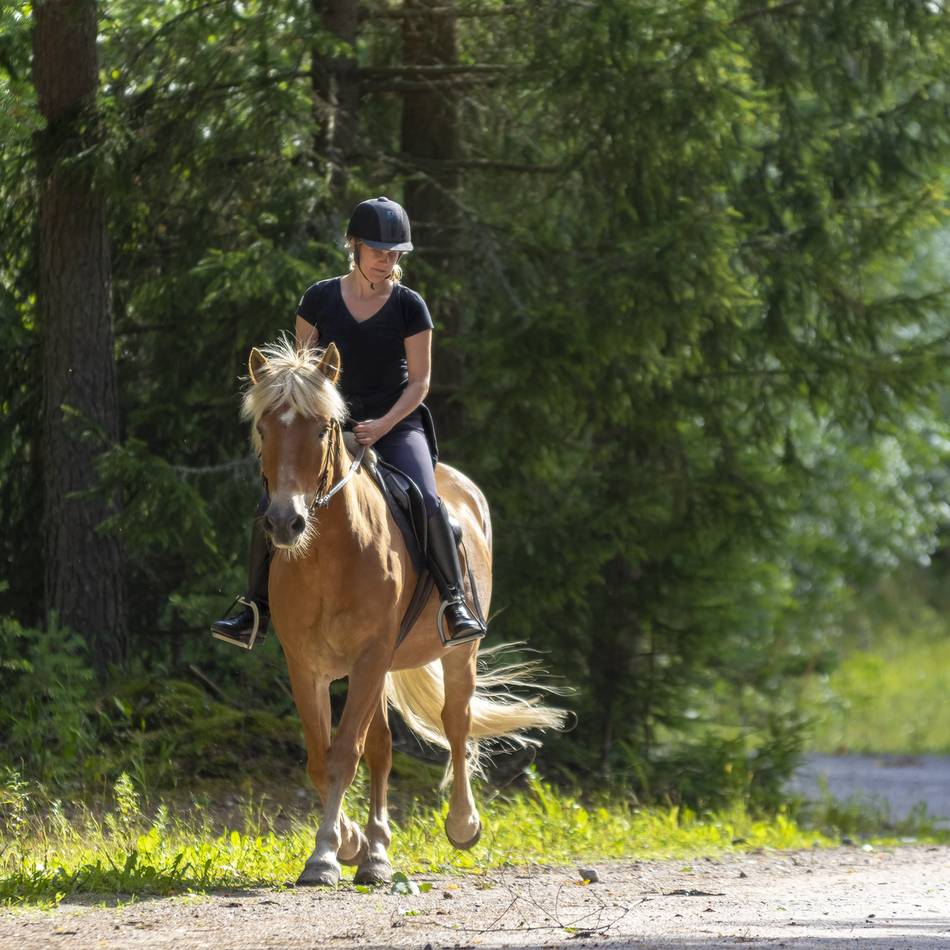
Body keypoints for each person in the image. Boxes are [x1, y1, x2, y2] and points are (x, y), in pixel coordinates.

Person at [211, 196, 487, 650]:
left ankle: (454, 604)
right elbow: (303, 377)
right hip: (326, 425)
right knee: (271, 503)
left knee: (428, 500)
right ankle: (253, 608)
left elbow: (419, 383)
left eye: (395, 252)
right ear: (353, 246)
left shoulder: (409, 306)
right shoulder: (318, 299)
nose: (387, 260)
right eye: (378, 250)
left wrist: (381, 426)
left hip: (396, 423)